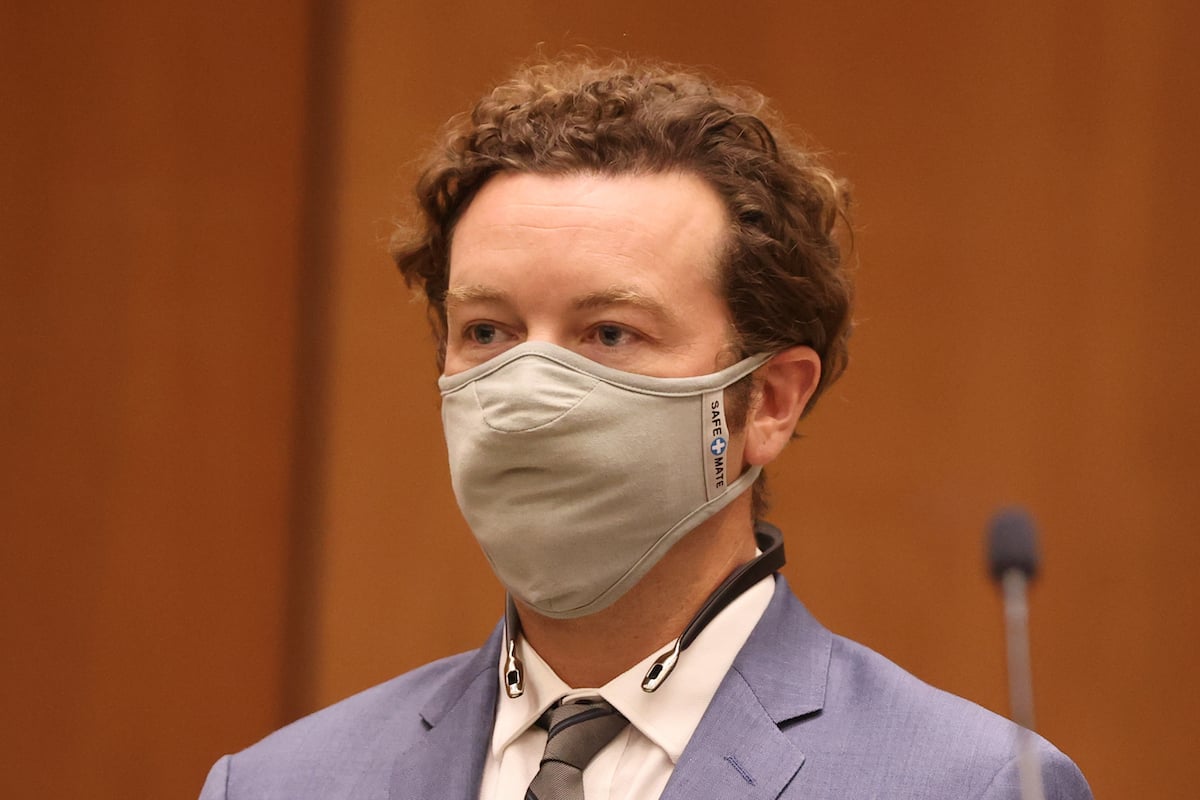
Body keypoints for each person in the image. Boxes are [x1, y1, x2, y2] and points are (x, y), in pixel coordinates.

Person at [200, 56, 1092, 799]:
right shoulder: (278, 786)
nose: (528, 390)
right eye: (488, 332)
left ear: (769, 401)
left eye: (610, 333)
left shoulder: (971, 785)